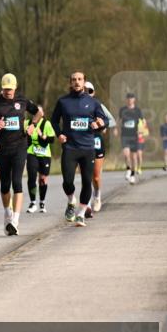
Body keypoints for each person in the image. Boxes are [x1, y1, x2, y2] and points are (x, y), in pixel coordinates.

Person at [0, 73, 39, 236]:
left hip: (19, 146)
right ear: (1, 88)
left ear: (15, 87)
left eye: (10, 89)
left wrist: (32, 125)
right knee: (5, 184)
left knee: (17, 182)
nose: (8, 92)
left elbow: (38, 112)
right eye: (5, 89)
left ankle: (15, 220)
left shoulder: (22, 100)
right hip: (1, 148)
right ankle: (7, 214)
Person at [51, 71, 106, 226]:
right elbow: (54, 120)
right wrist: (59, 134)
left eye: (80, 79)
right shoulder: (63, 101)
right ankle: (71, 200)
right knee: (67, 181)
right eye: (74, 79)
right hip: (70, 147)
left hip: (88, 148)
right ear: (70, 82)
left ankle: (81, 214)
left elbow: (104, 121)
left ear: (84, 82)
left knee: (87, 182)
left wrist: (99, 124)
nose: (77, 82)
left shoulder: (93, 102)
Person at [85, 81, 115, 214]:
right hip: (81, 141)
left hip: (96, 140)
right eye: (85, 90)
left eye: (90, 91)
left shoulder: (98, 105)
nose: (87, 93)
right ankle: (85, 203)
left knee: (96, 177)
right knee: (86, 175)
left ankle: (97, 196)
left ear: (94, 93)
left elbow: (112, 121)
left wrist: (102, 125)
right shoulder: (75, 105)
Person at [25, 105, 55, 214]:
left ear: (42, 113)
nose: (36, 113)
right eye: (35, 111)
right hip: (31, 152)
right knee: (32, 177)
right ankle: (33, 202)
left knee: (42, 179)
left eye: (39, 111)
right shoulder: (27, 123)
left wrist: (43, 136)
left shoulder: (46, 124)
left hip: (44, 154)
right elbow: (22, 136)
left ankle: (42, 202)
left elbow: (52, 139)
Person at [119, 92, 144, 184]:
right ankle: (128, 170)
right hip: (125, 135)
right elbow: (119, 120)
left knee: (134, 157)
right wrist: (116, 129)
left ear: (134, 100)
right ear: (126, 100)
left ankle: (133, 175)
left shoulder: (138, 110)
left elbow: (142, 122)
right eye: (128, 98)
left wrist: (141, 131)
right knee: (126, 154)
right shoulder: (122, 110)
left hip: (134, 136)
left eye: (131, 98)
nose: (130, 100)